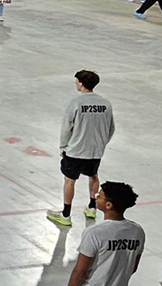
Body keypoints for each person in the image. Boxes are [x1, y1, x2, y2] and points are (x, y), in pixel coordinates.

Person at [48, 70, 116, 228]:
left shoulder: (75, 103)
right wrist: (101, 143)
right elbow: (111, 128)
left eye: (76, 81)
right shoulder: (106, 104)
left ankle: (66, 215)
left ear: (81, 83)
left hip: (76, 150)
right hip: (95, 150)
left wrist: (63, 147)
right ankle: (92, 207)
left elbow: (67, 127)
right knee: (93, 175)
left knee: (69, 180)